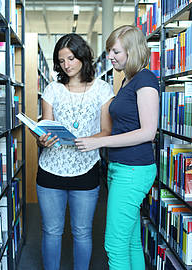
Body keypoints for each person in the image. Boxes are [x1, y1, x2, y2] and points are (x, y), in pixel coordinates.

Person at [75, 25, 159, 270]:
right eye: (109, 51)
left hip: (133, 170)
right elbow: (123, 126)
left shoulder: (145, 80)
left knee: (114, 245)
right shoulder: (128, 80)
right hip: (120, 167)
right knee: (131, 242)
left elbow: (147, 132)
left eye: (116, 51)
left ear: (132, 51)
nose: (110, 56)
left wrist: (99, 142)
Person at [33, 33, 114, 270]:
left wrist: (89, 140)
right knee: (51, 230)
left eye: (71, 58)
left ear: (83, 56)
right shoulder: (52, 89)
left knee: (82, 231)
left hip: (86, 169)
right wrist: (42, 140)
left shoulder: (102, 89)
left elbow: (107, 131)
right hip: (50, 170)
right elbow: (45, 127)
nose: (66, 65)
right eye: (61, 60)